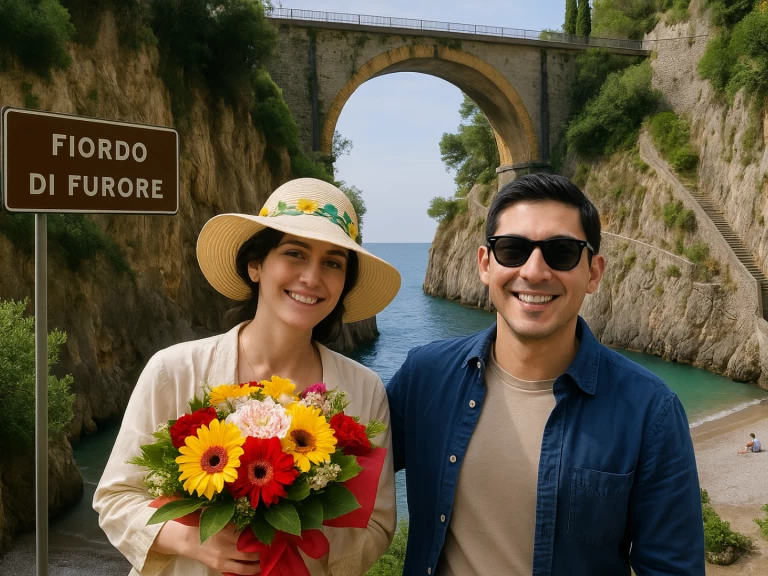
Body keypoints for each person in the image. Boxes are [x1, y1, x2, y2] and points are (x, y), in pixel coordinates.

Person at [387, 173, 705, 575]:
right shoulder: (424, 377)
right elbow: (338, 473)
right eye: (512, 249)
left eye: (561, 252)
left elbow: (672, 568)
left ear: (593, 273)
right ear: (486, 264)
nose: (534, 271)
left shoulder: (650, 412)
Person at [94, 178, 401, 576]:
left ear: (343, 284)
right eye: (294, 253)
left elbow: (377, 523)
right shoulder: (174, 370)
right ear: (255, 265)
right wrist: (196, 540)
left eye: (333, 263)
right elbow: (117, 499)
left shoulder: (363, 389)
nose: (311, 277)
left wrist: (292, 542)